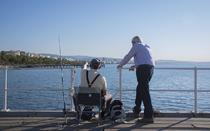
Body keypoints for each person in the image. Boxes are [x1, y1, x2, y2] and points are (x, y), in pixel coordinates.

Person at [117, 36, 155, 123]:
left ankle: (148, 116)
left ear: (135, 41)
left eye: (132, 43)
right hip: (150, 69)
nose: (132, 45)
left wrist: (120, 65)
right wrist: (135, 66)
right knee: (140, 89)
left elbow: (128, 56)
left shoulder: (136, 45)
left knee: (144, 91)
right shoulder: (147, 46)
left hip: (143, 70)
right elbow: (145, 60)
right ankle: (137, 110)